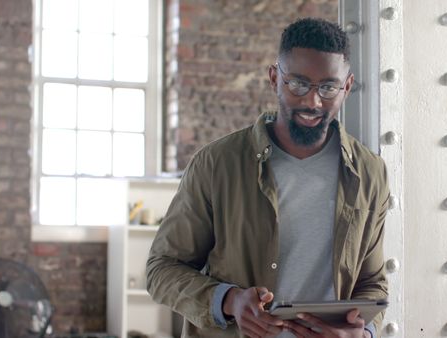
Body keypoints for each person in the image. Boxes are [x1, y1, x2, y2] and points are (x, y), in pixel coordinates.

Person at [147, 17, 390, 338]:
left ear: (346, 87)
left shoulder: (370, 172)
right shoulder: (216, 163)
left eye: (328, 87)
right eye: (298, 83)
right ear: (275, 77)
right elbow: (162, 269)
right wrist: (229, 301)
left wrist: (364, 332)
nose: (312, 101)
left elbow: (371, 282)